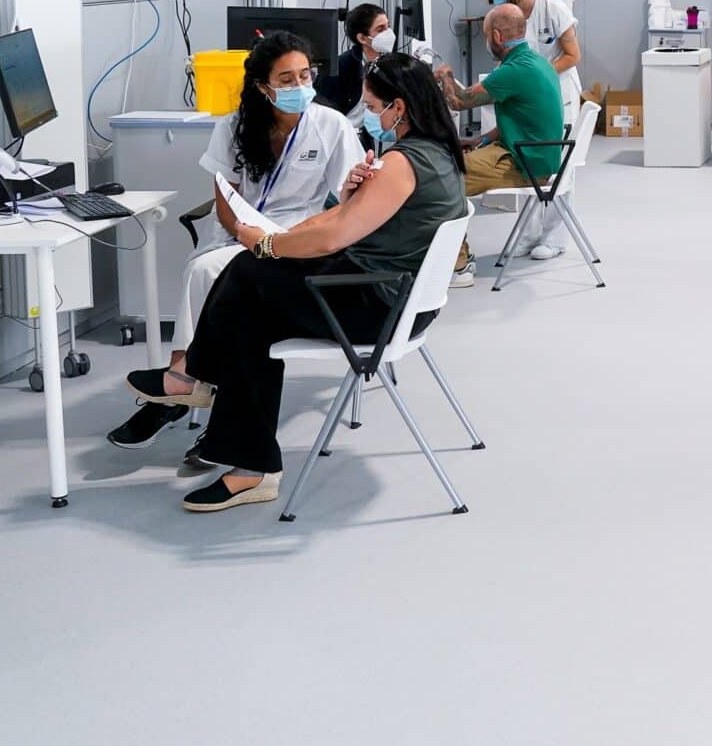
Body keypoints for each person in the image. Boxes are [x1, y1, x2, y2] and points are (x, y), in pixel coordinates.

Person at [122, 54, 466, 512]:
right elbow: (349, 219)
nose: (368, 117)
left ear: (398, 108)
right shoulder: (437, 154)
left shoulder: (403, 162)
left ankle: (198, 383)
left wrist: (266, 245)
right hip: (397, 295)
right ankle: (244, 460)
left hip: (379, 304)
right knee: (251, 318)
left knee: (246, 271)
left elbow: (335, 236)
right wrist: (347, 198)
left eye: (372, 106)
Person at [108, 32, 364, 454]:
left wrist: (284, 239)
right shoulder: (234, 125)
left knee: (215, 275)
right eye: (286, 79)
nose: (300, 86)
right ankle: (190, 386)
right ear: (263, 86)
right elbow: (224, 198)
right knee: (206, 269)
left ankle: (184, 384)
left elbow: (349, 197)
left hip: (295, 232)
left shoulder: (330, 126)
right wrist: (244, 234)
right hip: (236, 230)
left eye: (305, 75)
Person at [439, 3, 568, 283]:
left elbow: (459, 101)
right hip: (531, 151)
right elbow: (522, 119)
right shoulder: (536, 62)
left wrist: (444, 74)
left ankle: (458, 267)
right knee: (450, 169)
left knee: (446, 178)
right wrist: (480, 139)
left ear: (496, 37)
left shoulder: (514, 71)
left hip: (526, 162)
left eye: (487, 36)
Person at [480, 0, 582, 121]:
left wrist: (536, 73)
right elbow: (501, 58)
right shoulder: (501, 15)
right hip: (526, 95)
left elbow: (573, 56)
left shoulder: (552, 8)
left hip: (559, 92)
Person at [317, 1, 438, 129]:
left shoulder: (386, 63)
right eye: (380, 29)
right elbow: (324, 117)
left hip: (365, 134)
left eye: (388, 26)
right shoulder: (340, 68)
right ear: (362, 38)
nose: (388, 33)